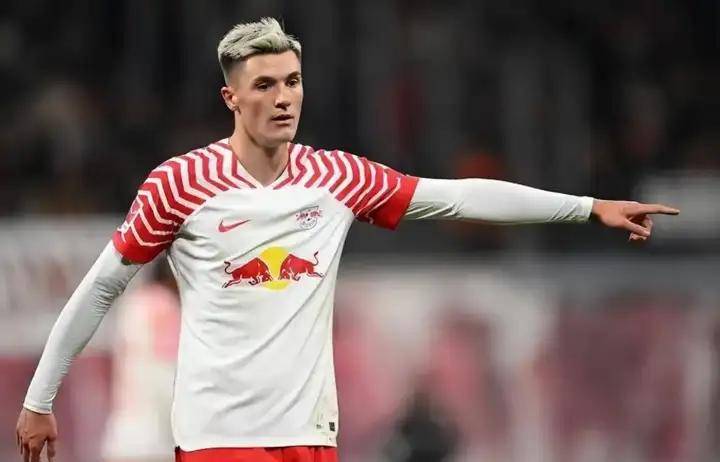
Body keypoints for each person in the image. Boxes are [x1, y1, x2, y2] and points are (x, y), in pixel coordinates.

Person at [15, 17, 679, 462]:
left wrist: (588, 208)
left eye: (293, 81)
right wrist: (39, 400)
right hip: (222, 439)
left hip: (311, 438)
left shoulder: (336, 177)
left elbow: (457, 196)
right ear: (231, 99)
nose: (284, 98)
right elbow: (101, 287)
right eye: (265, 85)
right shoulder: (181, 183)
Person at [101, 261, 180, 462]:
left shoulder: (134, 303)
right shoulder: (164, 306)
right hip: (156, 439)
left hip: (123, 435)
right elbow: (167, 372)